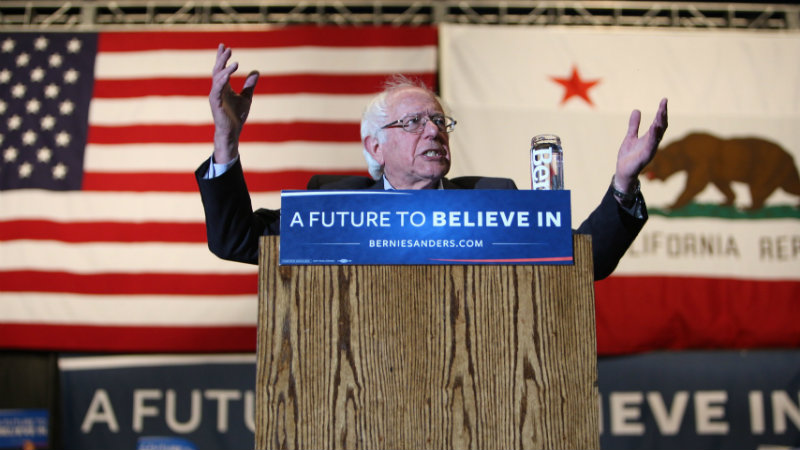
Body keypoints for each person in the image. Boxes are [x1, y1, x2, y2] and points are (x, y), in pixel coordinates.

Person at [196, 44, 668, 280]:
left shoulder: (493, 200)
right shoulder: (332, 203)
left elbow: (583, 262)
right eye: (414, 123)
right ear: (374, 147)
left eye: (440, 122)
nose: (434, 132)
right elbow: (235, 240)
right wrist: (226, 139)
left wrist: (623, 184)